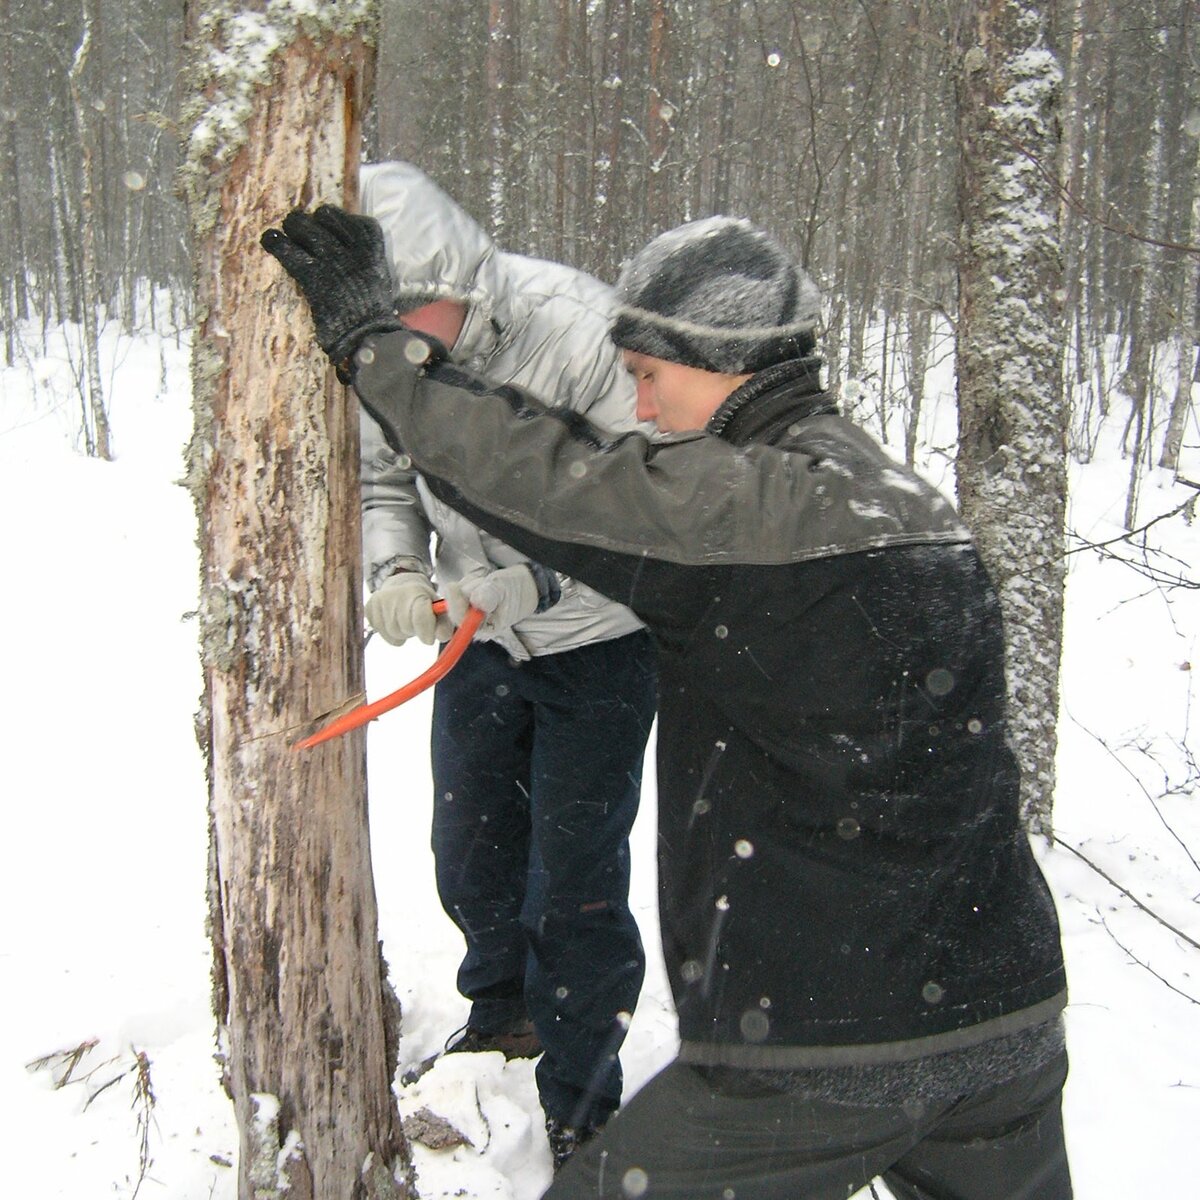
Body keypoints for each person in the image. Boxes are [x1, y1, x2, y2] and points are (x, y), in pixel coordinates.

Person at [263, 206, 1072, 1199]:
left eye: (648, 375)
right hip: (1009, 1017)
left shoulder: (741, 507)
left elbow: (537, 477)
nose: (640, 408)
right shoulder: (911, 507)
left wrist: (369, 347)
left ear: (719, 357)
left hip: (825, 1039)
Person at [352, 163, 659, 1165]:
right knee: (473, 846)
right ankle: (503, 1015)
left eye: (415, 310)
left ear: (463, 279)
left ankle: (583, 1107)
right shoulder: (392, 351)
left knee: (573, 881)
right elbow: (384, 472)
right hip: (478, 637)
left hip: (599, 642)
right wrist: (398, 564)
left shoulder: (575, 328)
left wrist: (543, 583)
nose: (404, 339)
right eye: (384, 320)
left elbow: (655, 506)